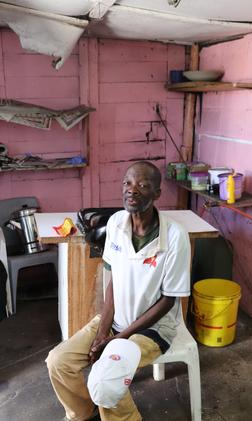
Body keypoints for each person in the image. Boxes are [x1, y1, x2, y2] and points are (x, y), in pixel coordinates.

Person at [46, 160, 191, 421]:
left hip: (153, 330)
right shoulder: (115, 224)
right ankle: (82, 412)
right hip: (113, 322)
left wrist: (119, 338)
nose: (132, 190)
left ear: (157, 194)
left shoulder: (175, 237)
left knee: (106, 380)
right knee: (58, 361)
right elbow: (113, 280)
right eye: (127, 183)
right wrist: (103, 330)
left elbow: (169, 300)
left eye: (143, 185)